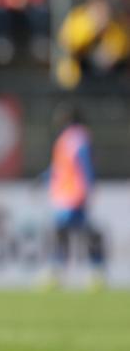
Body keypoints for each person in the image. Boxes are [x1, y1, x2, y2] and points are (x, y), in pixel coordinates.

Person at [43, 103, 106, 290]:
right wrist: (44, 178)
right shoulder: (67, 138)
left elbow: (85, 163)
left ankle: (87, 271)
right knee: (75, 231)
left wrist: (88, 185)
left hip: (73, 193)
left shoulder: (77, 137)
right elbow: (59, 166)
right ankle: (93, 270)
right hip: (64, 193)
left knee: (70, 231)